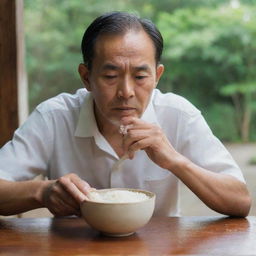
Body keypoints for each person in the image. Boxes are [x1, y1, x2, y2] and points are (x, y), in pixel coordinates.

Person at [0, 12, 251, 217]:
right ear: (86, 77)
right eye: (110, 76)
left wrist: (174, 160)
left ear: (157, 76)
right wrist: (42, 193)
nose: (126, 92)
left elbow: (240, 201)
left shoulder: (179, 115)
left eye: (140, 76)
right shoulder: (55, 117)